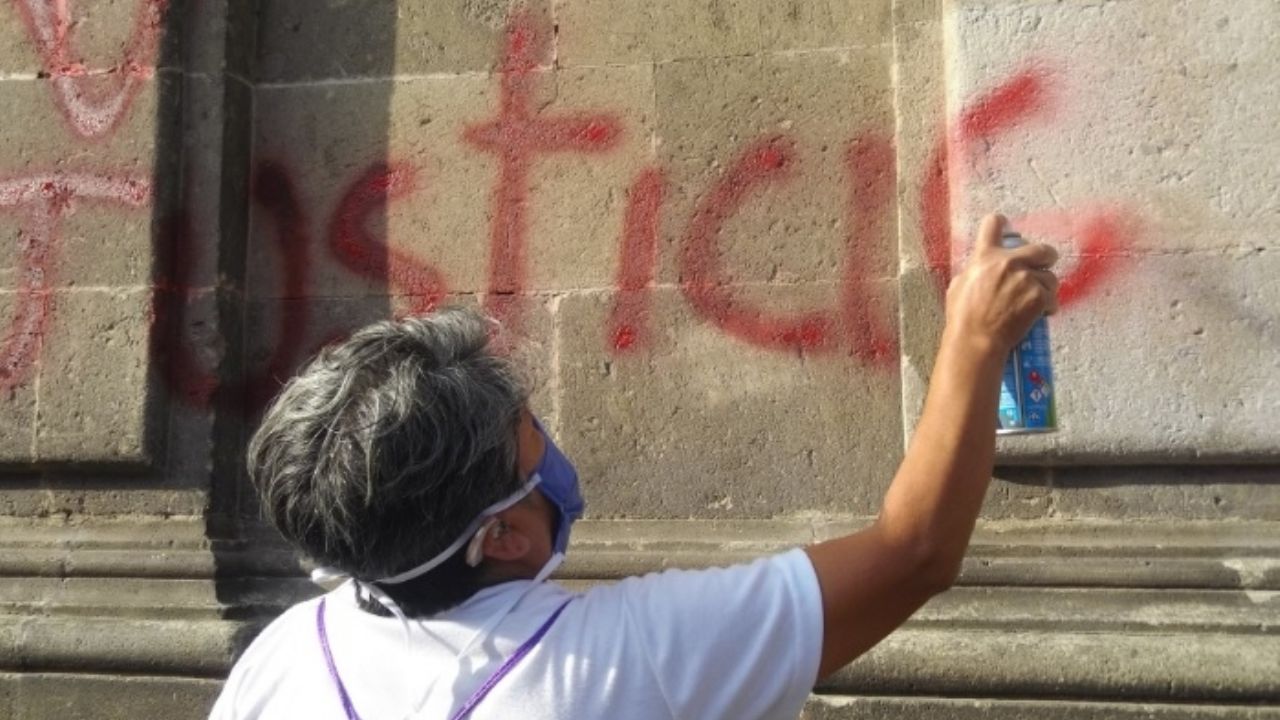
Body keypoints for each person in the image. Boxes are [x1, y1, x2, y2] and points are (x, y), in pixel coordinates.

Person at [210, 214, 1059, 719]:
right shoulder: (619, 661)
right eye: (528, 437)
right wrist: (975, 343)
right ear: (498, 535)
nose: (549, 445)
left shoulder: (282, 659)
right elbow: (913, 551)